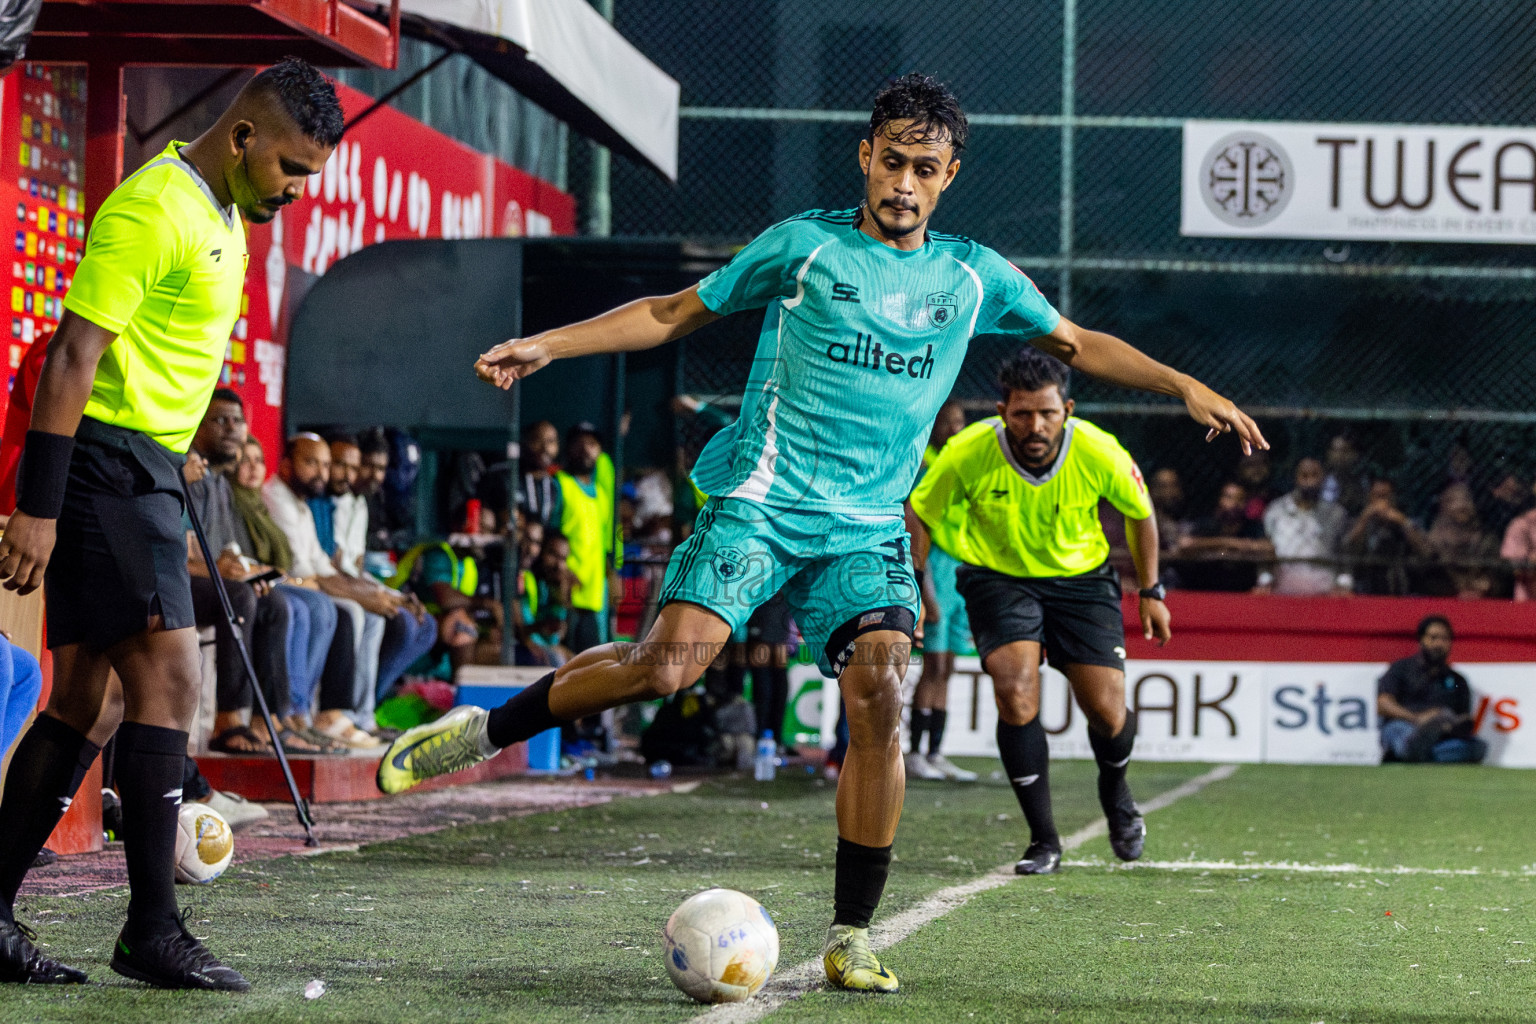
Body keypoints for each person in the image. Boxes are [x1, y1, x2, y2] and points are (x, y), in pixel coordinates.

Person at [378, 72, 1262, 993]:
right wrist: (550, 343)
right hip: (761, 501)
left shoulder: (972, 277)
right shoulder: (802, 248)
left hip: (866, 526)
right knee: (666, 668)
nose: (904, 184)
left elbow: (1079, 341)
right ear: (865, 156)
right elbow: (671, 313)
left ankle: (851, 933)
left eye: (925, 168)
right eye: (891, 162)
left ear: (949, 173)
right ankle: (485, 731)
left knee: (881, 680)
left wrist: (1182, 386)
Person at [0, 58, 341, 989]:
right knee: (171, 680)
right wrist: (37, 507)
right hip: (101, 468)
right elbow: (74, 354)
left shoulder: (225, 214)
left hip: (142, 467)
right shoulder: (156, 205)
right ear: (242, 137)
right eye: (292, 169)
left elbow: (162, 355)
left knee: (90, 701)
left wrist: (176, 454)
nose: (297, 190)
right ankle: (151, 927)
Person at [911, 348, 1169, 876]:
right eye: (1023, 413)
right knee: (1014, 686)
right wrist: (914, 585)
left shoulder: (1099, 451)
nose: (1036, 425)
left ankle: (1116, 792)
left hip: (1083, 582)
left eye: (1048, 413)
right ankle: (1043, 840)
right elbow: (918, 512)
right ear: (1003, 410)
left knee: (1107, 710)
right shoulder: (968, 450)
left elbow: (1140, 514)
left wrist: (1151, 590)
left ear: (1067, 410)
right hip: (996, 577)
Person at [906, 399, 976, 782]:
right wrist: (925, 591)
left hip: (961, 574)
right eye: (947, 421)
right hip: (937, 569)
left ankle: (936, 751)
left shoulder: (962, 465)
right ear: (933, 427)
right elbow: (918, 526)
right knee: (932, 665)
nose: (954, 427)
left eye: (960, 420)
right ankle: (915, 752)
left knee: (948, 667)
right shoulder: (926, 466)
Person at [1378, 616, 1486, 764]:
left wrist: (1446, 723)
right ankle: (1419, 751)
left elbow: (1462, 717)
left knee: (1476, 747)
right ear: (1422, 639)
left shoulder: (1457, 680)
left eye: (1444, 639)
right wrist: (1418, 718)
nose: (1439, 644)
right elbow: (1383, 704)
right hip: (1406, 724)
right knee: (1400, 734)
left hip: (1441, 733)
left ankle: (1413, 755)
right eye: (1433, 638)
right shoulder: (1401, 669)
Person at [553, 423, 615, 654]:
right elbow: (551, 534)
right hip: (565, 593)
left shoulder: (601, 495)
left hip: (593, 595)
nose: (585, 450)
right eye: (579, 444)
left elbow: (602, 541)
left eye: (592, 444)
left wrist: (611, 574)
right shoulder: (560, 484)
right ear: (568, 449)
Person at [1261, 457, 1350, 595]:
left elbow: (1344, 552)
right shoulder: (1276, 510)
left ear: (1323, 478)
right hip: (1283, 591)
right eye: (1304, 475)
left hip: (1325, 593)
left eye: (1314, 475)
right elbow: (1267, 549)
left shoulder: (1336, 514)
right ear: (1296, 478)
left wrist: (1344, 584)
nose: (1309, 481)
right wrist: (1264, 581)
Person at [1175, 481, 1274, 592]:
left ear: (1245, 503)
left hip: (1243, 590)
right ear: (1220, 500)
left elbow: (1268, 548)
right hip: (1205, 589)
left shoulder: (1252, 527)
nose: (1234, 503)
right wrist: (1227, 543)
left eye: (1239, 499)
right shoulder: (1208, 524)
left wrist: (1243, 546)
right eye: (1229, 498)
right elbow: (1184, 544)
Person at [1343, 478, 1429, 597]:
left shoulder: (1405, 522)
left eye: (1385, 496)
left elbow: (1426, 552)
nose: (1381, 502)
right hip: (1365, 587)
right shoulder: (1358, 522)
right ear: (1369, 498)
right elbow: (1345, 547)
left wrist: (1403, 522)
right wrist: (1363, 520)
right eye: (1376, 496)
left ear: (1393, 498)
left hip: (1398, 588)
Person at [1424, 482, 1499, 598]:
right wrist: (1456, 588)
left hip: (1481, 593)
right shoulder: (1434, 537)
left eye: (1466, 499)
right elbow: (1432, 572)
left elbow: (1497, 569)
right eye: (1453, 500)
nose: (1461, 505)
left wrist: (1488, 585)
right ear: (1443, 505)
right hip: (1446, 594)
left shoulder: (1486, 536)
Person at [517, 420, 560, 529]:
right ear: (526, 442)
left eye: (551, 441)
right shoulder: (509, 478)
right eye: (537, 440)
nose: (545, 448)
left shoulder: (557, 484)